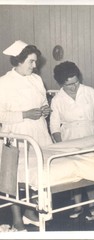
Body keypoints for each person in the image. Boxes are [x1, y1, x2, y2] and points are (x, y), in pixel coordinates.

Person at [0, 40, 53, 231]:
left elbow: (43, 101)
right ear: (19, 61)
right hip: (17, 134)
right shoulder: (4, 83)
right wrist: (24, 114)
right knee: (15, 178)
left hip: (38, 131)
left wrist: (45, 110)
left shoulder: (36, 79)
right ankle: (16, 218)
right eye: (31, 61)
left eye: (35, 61)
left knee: (36, 173)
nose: (35, 65)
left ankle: (30, 212)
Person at [49, 61, 94, 219]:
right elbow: (54, 126)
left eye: (76, 82)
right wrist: (61, 144)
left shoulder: (89, 92)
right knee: (75, 172)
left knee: (91, 169)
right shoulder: (57, 100)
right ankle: (77, 205)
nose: (74, 87)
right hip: (71, 138)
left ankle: (92, 203)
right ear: (61, 84)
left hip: (91, 134)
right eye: (69, 85)